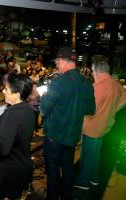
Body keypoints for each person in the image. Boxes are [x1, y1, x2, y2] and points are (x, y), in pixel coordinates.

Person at [40, 47, 95, 200]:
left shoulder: (57, 83)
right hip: (72, 136)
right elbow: (91, 109)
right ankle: (66, 196)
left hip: (54, 137)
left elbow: (44, 110)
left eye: (57, 61)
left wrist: (45, 95)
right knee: (68, 168)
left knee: (53, 172)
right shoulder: (86, 83)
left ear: (64, 61)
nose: (57, 65)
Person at [74, 57, 126, 195]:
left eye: (92, 71)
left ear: (96, 71)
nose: (92, 74)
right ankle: (94, 179)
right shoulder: (116, 85)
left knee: (87, 155)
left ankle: (84, 182)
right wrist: (112, 111)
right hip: (105, 125)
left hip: (92, 127)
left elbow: (89, 109)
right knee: (95, 154)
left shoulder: (97, 87)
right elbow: (124, 100)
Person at [0, 73, 35, 200]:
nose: (3, 91)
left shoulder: (11, 115)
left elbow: (2, 150)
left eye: (6, 89)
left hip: (7, 172)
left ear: (17, 94)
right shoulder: (29, 109)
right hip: (22, 164)